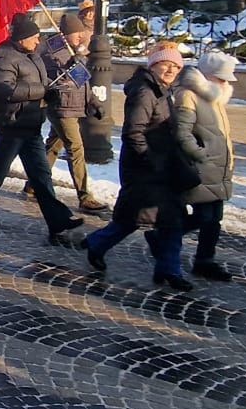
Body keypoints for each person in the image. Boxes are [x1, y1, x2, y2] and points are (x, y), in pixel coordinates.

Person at [82, 46, 192, 288]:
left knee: (170, 220)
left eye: (176, 66)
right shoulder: (144, 91)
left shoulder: (162, 90)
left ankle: (169, 269)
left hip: (162, 167)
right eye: (166, 64)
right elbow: (133, 132)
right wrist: (150, 160)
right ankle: (97, 243)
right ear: (153, 65)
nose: (171, 69)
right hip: (146, 168)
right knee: (132, 218)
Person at [0, 14, 86, 242]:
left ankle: (58, 221)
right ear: (22, 38)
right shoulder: (3, 57)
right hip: (11, 124)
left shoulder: (33, 54)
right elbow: (4, 89)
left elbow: (47, 63)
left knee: (41, 176)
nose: (37, 40)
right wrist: (42, 91)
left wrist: (54, 87)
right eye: (33, 36)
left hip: (31, 124)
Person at [173, 51, 239, 282]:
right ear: (208, 76)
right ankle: (165, 236)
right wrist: (200, 155)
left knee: (214, 219)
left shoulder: (216, 97)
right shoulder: (188, 95)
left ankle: (205, 260)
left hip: (217, 168)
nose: (226, 83)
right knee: (204, 217)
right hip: (201, 167)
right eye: (222, 78)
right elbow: (182, 132)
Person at [42, 13, 108, 215]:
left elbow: (82, 81)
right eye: (77, 35)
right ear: (66, 34)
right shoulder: (53, 52)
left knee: (52, 147)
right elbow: (60, 81)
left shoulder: (72, 51)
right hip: (62, 108)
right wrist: (77, 59)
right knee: (76, 149)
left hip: (73, 107)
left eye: (82, 34)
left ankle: (35, 184)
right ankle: (85, 196)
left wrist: (93, 102)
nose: (80, 38)